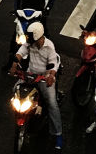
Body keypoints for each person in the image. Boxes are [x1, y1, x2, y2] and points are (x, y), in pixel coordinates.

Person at [13, 22, 63, 152]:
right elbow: (21, 52)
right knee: (15, 89)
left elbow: (53, 63)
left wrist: (51, 75)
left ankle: (58, 134)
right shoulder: (30, 42)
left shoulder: (49, 46)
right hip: (30, 74)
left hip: (44, 77)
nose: (31, 43)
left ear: (40, 37)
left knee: (52, 103)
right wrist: (14, 62)